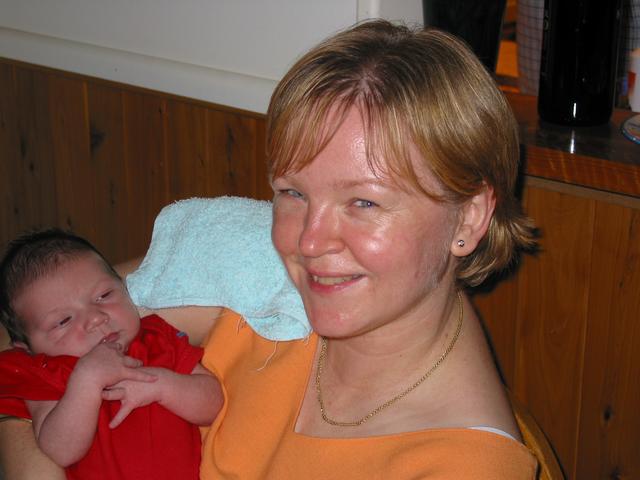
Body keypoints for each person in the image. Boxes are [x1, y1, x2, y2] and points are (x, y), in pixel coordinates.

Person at [0, 19, 538, 479]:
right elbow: (25, 320)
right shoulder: (254, 275)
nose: (307, 243)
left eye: (364, 202)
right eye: (293, 193)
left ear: (469, 216)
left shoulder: (458, 466)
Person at [0, 229, 223, 480]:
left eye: (104, 296)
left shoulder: (157, 339)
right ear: (26, 348)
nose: (96, 318)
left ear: (125, 288)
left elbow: (214, 403)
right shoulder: (48, 373)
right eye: (63, 321)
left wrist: (164, 386)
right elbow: (61, 450)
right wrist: (86, 381)